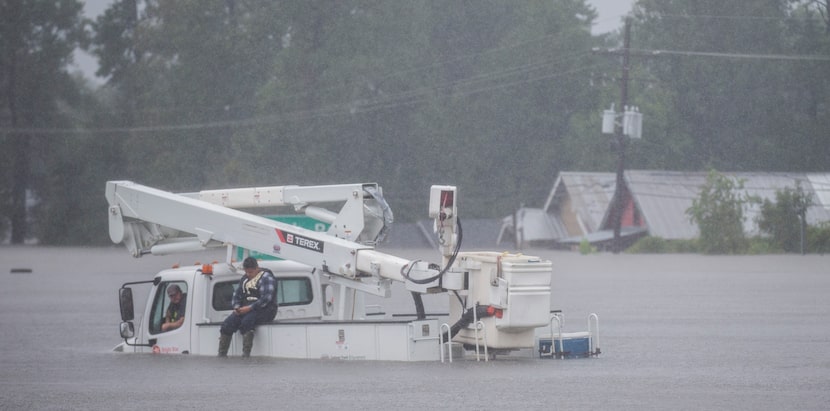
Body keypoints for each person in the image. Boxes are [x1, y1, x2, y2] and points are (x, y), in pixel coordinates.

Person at [218, 257, 278, 357]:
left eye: (251, 272)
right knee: (227, 324)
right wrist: (236, 307)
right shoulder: (245, 278)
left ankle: (246, 355)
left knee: (247, 322)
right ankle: (222, 354)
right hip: (246, 309)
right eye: (246, 272)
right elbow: (237, 295)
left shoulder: (266, 278)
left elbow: (266, 298)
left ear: (257, 268)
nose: (248, 274)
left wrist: (249, 308)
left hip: (265, 309)